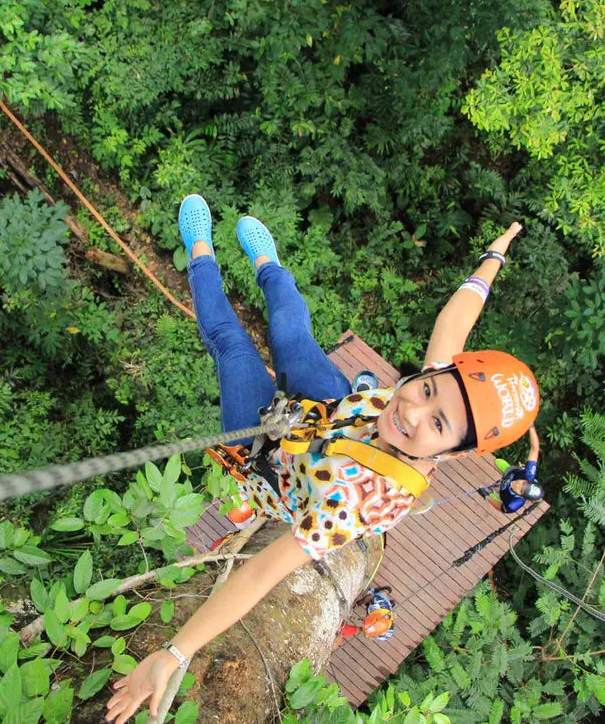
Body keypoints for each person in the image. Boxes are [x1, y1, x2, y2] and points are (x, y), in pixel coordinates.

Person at [105, 195, 539, 723]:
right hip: (332, 408)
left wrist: (173, 654)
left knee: (232, 346)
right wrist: (495, 255)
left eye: (439, 425)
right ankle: (269, 265)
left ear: (455, 452)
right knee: (291, 331)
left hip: (266, 452)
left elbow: (260, 575)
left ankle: (199, 252)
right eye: (426, 391)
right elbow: (457, 317)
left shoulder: (355, 502)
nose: (414, 411)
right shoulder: (427, 394)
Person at [486, 425, 543, 512]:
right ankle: (505, 471)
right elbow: (535, 448)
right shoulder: (529, 474)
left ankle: (494, 493)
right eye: (523, 483)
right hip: (511, 472)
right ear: (527, 480)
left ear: (521, 496)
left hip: (503, 494)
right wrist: (531, 427)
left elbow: (501, 508)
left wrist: (487, 497)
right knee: (497, 462)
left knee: (490, 495)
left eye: (520, 490)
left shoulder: (514, 504)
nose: (518, 484)